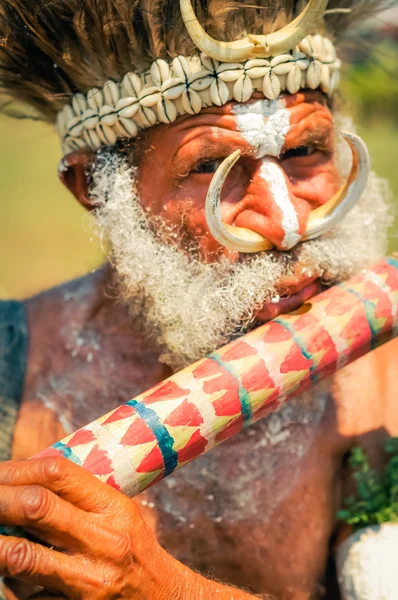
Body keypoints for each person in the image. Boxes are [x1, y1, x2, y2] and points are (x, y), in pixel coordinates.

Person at [0, 1, 396, 598]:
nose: (286, 225)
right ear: (97, 190)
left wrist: (156, 586)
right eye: (212, 166)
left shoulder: (384, 382)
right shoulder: (14, 364)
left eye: (304, 152)